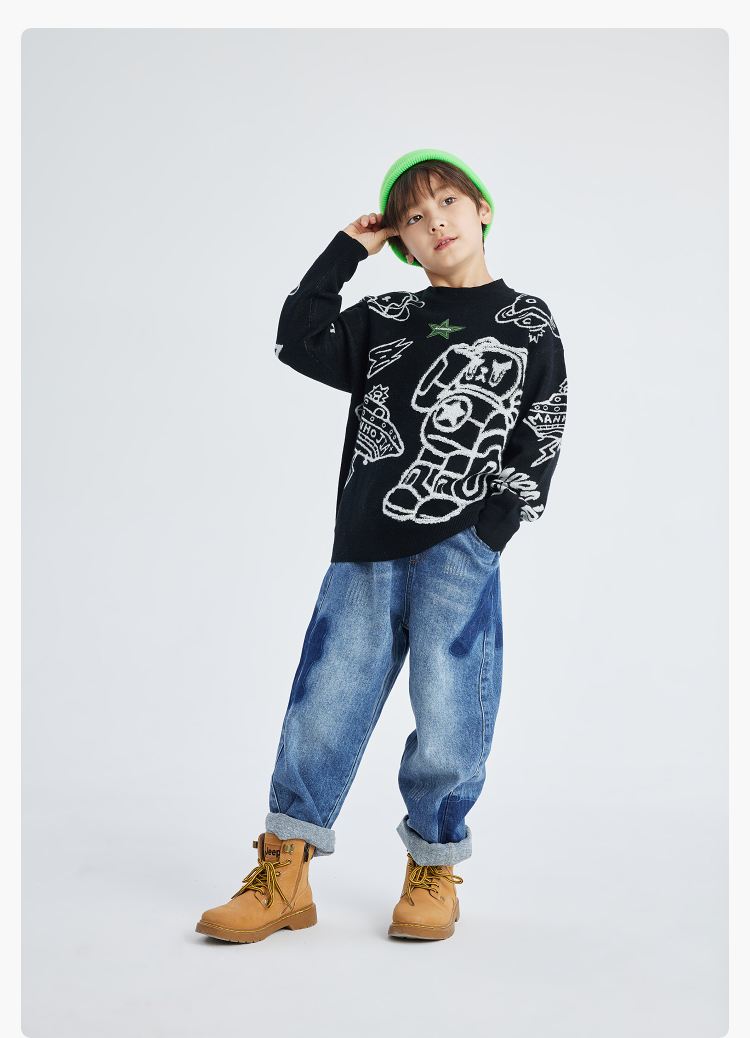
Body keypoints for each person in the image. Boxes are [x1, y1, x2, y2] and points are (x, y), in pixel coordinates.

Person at [196, 148, 568, 943]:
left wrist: (491, 532)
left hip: (461, 545)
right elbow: (297, 340)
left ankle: (433, 867)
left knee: (451, 711)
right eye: (413, 217)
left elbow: (542, 428)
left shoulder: (527, 319)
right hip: (366, 542)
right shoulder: (387, 318)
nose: (435, 222)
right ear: (400, 239)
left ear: (482, 209)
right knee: (324, 702)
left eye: (447, 202)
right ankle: (285, 874)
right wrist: (346, 250)